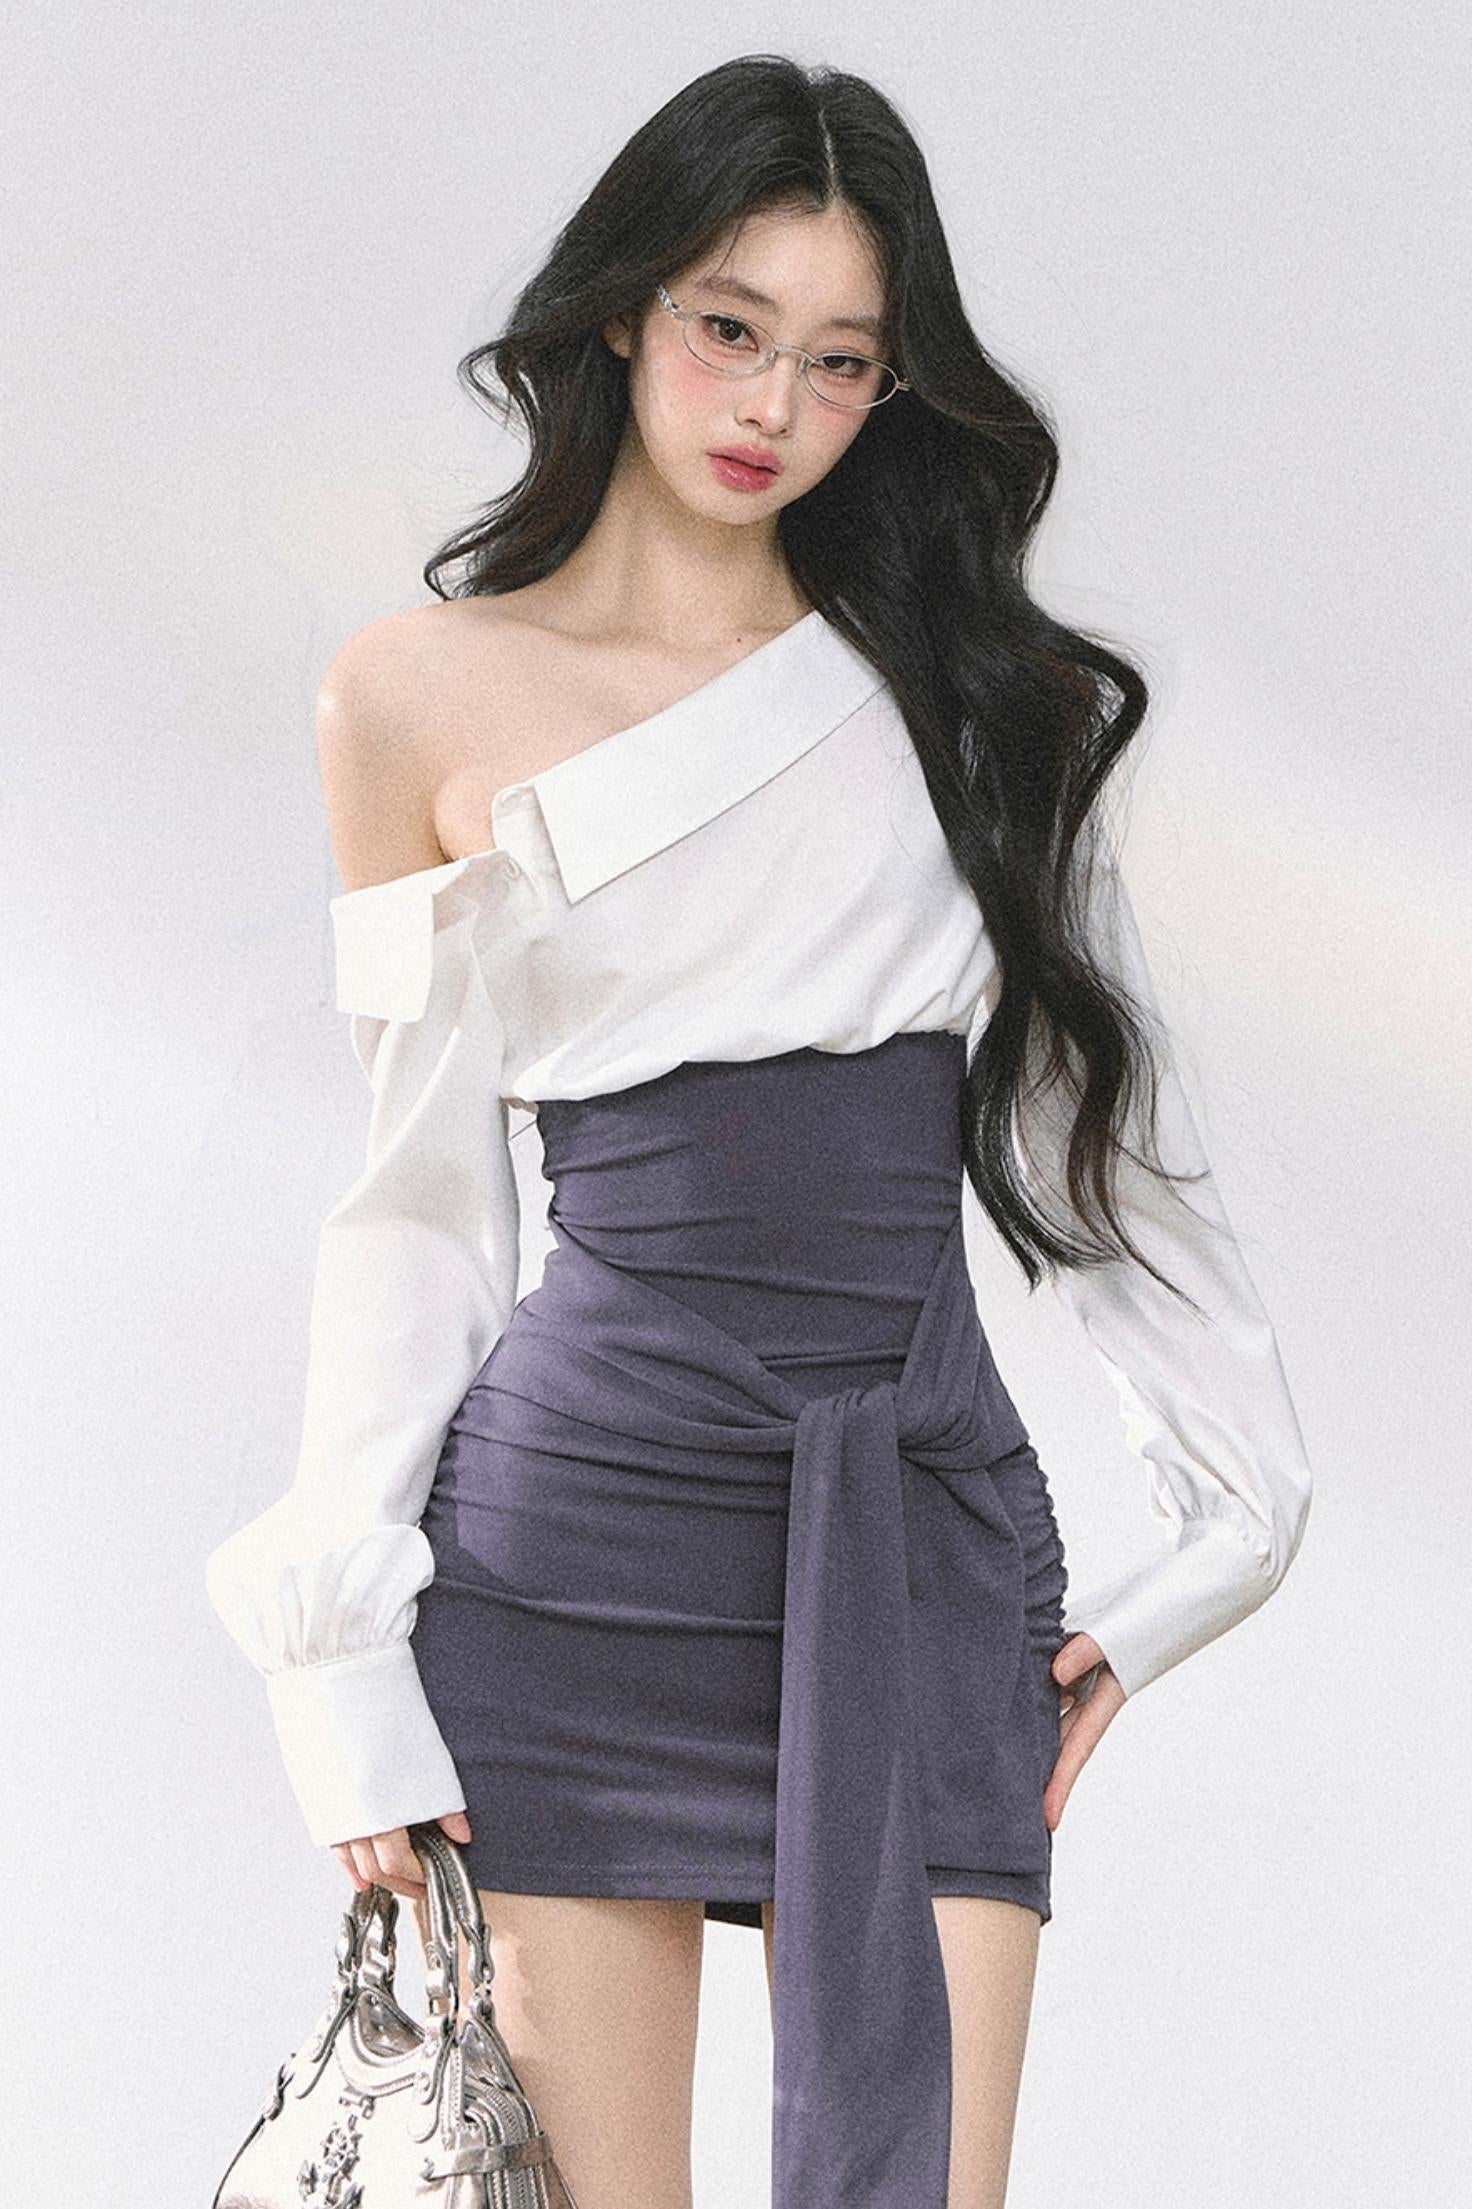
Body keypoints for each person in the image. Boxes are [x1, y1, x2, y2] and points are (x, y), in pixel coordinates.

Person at [204, 52, 1313, 2209]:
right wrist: (335, 1658)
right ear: (625, 309)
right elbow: (417, 1208)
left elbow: (1097, 1145)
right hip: (573, 1551)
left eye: (840, 361)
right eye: (731, 326)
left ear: (891, 391)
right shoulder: (412, 694)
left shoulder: (972, 697)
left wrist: (1228, 1533)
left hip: (914, 1525)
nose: (772, 405)